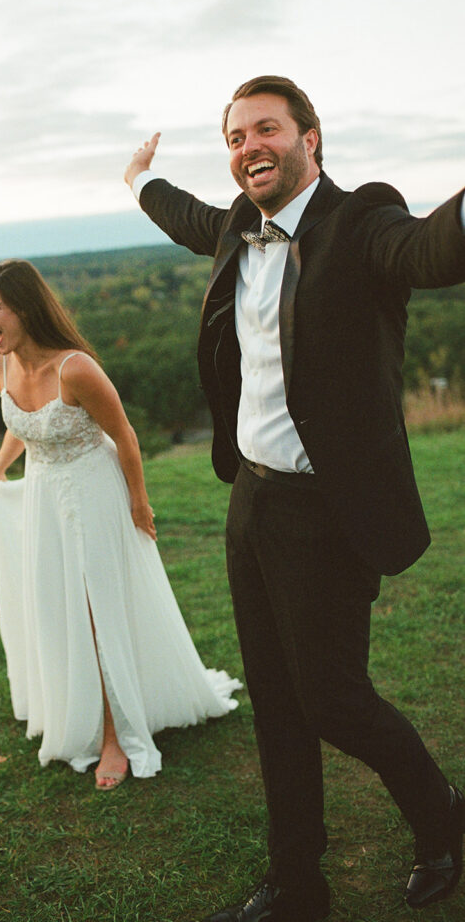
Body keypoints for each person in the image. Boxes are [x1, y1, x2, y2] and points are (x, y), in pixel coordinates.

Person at [124, 76, 464, 919]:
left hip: (327, 511)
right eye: (235, 137)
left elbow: (429, 251)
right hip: (254, 503)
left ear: (312, 136)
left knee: (332, 699)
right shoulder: (240, 228)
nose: (248, 148)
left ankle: (444, 825)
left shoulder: (361, 224)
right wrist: (137, 184)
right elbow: (191, 219)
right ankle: (296, 882)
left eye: (265, 129)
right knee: (276, 702)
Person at [0, 258, 241, 790]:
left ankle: (117, 737)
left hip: (95, 493)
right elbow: (23, 422)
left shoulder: (76, 368)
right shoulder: (0, 364)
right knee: (59, 605)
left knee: (98, 613)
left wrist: (139, 504)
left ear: (25, 308)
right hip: (44, 496)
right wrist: (3, 461)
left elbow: (125, 434)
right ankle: (79, 713)